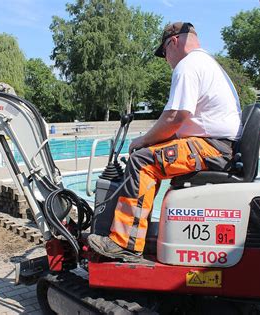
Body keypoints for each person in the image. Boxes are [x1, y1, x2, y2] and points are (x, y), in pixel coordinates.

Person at [88, 22, 243, 262]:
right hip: (216, 145)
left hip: (213, 147)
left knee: (141, 161)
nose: (165, 59)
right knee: (152, 153)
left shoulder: (188, 66)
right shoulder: (207, 64)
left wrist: (141, 141)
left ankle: (124, 243)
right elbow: (182, 123)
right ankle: (136, 230)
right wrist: (153, 142)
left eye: (164, 53)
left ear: (173, 42)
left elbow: (175, 116)